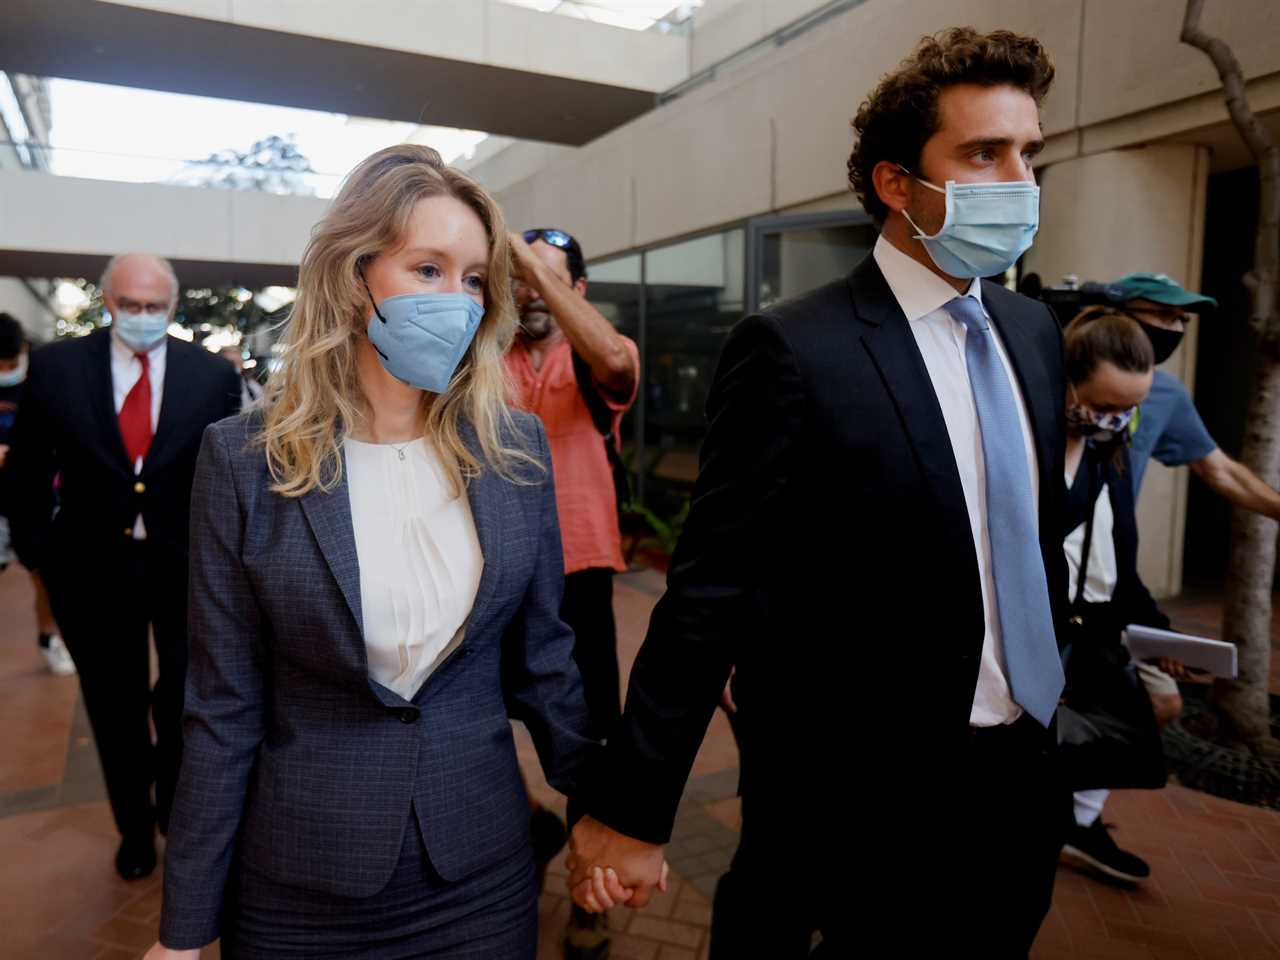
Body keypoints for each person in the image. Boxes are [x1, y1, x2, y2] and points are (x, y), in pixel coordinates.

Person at [567, 27, 1072, 957]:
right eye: (983, 153)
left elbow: (1027, 540)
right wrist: (633, 810)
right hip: (860, 792)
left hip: (1023, 772)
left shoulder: (1032, 332)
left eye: (1028, 152)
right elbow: (710, 591)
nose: (1019, 179)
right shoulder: (796, 347)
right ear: (896, 184)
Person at [144, 144, 604, 960]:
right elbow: (222, 706)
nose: (456, 301)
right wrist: (184, 932)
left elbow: (545, 663)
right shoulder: (243, 460)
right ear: (357, 279)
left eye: (472, 279)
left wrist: (605, 809)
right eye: (427, 269)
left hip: (481, 873)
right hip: (299, 885)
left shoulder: (515, 450)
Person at [8, 255, 241, 880]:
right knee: (113, 707)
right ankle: (134, 829)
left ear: (174, 305)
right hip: (90, 569)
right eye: (130, 305)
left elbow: (229, 474)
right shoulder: (58, 367)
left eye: (155, 307)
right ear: (108, 300)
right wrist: (40, 554)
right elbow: (28, 467)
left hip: (186, 567)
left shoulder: (210, 373)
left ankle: (173, 805)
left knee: (184, 699)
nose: (142, 317)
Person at [505, 226, 639, 959]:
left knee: (591, 736)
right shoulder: (485, 356)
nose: (529, 289)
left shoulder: (592, 353)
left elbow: (616, 362)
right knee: (474, 716)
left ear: (576, 289)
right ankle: (533, 824)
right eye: (519, 275)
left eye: (547, 277)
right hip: (495, 575)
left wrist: (535, 270)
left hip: (580, 572)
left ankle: (591, 891)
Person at [1056, 306, 1186, 885]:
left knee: (1155, 707)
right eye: (1104, 406)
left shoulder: (1113, 456)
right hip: (1054, 628)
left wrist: (1158, 628)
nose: (1115, 420)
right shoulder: (1047, 451)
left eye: (1129, 410)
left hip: (1103, 624)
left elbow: (1120, 563)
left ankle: (1077, 822)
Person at [1108, 272, 1280, 517]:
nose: (1176, 328)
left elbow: (1221, 471)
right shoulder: (1060, 371)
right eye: (1164, 314)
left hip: (1106, 544)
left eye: (1182, 319)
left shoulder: (1168, 394)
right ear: (1118, 314)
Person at [0, 312, 74, 676]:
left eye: (11, 363)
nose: (6, 370)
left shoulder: (42, 380)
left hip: (30, 499)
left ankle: (49, 638)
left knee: (43, 574)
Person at [220, 343, 265, 409]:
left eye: (238, 353)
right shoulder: (222, 383)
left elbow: (262, 397)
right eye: (233, 362)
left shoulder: (248, 381)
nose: (238, 357)